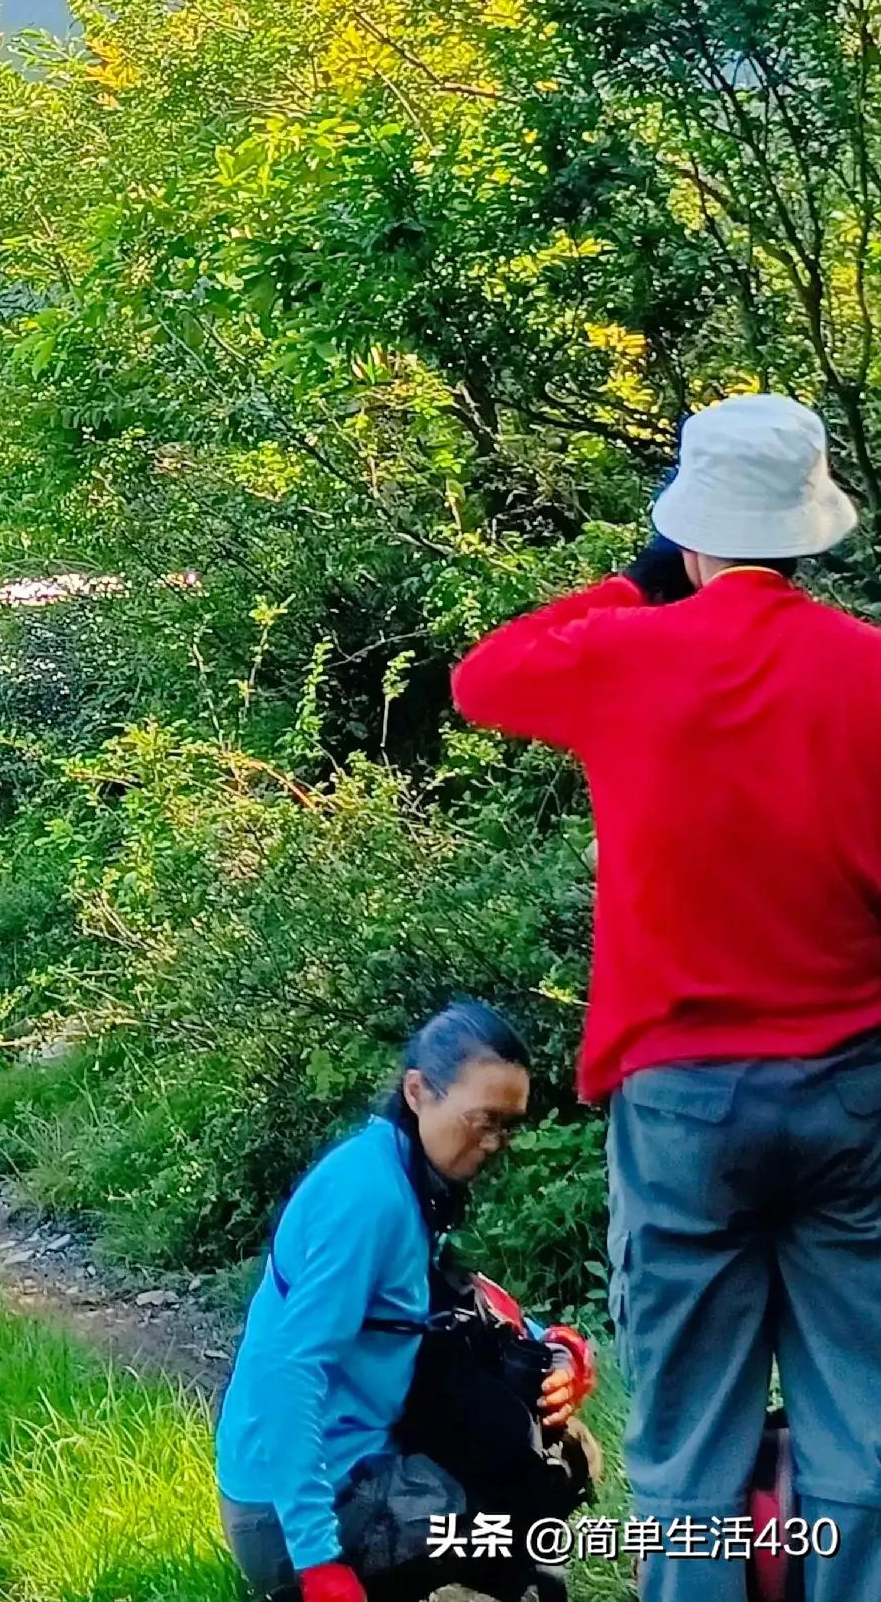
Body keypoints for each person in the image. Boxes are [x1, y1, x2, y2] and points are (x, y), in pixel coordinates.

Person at [454, 391, 881, 1602]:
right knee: (862, 1429)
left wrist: (640, 586)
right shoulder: (870, 669)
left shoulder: (625, 653)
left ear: (690, 532)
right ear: (808, 533)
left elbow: (483, 681)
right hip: (852, 1089)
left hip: (682, 1102)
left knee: (689, 1444)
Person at [216, 1001, 595, 1602]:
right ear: (418, 1091)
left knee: (551, 1455)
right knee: (526, 1498)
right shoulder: (370, 1199)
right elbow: (290, 1371)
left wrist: (559, 1347)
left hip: (352, 1461)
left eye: (508, 1125)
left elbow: (457, 1304)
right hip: (294, 1511)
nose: (495, 1142)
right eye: (483, 1120)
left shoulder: (407, 1176)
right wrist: (319, 1563)